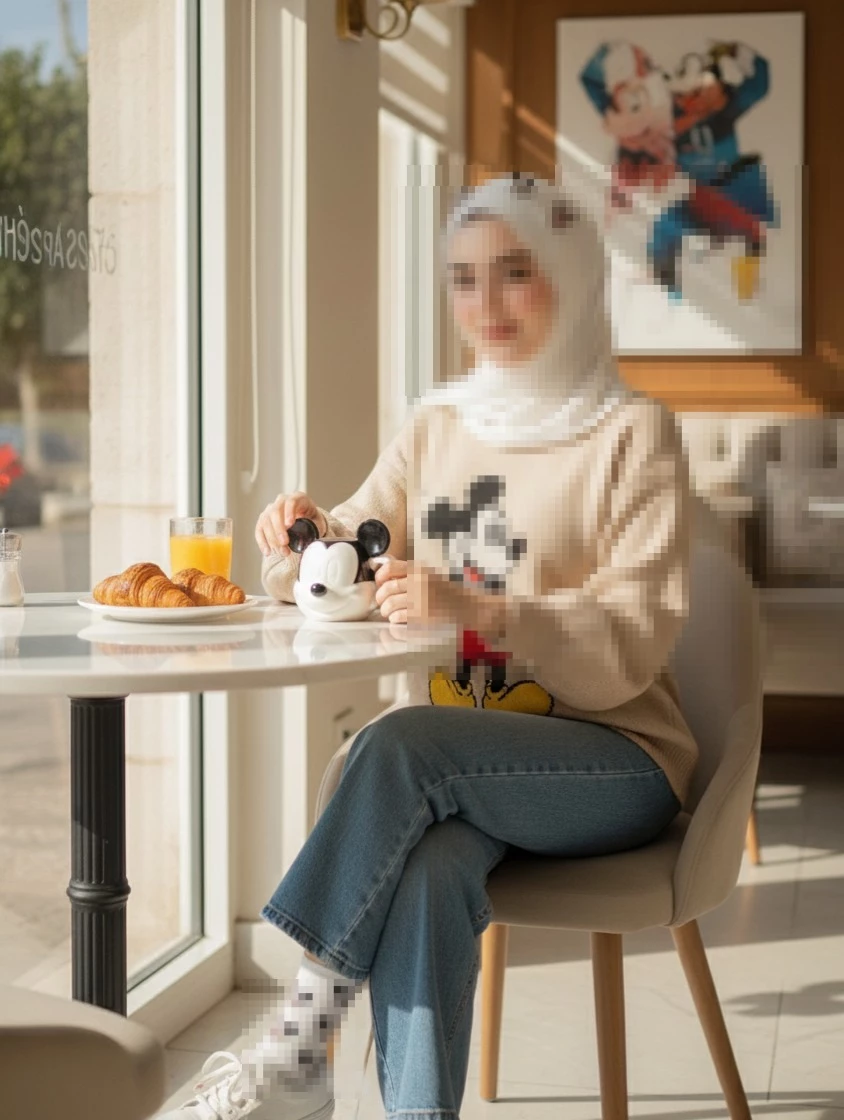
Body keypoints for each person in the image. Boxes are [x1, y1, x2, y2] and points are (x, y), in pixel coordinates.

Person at [158, 174, 698, 1120]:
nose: (484, 304)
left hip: (615, 761)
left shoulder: (633, 435)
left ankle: (299, 1045)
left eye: (514, 273)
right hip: (460, 769)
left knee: (396, 745)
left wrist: (486, 608)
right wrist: (299, 536)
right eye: (463, 279)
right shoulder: (438, 425)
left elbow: (634, 639)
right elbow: (353, 550)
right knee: (430, 866)